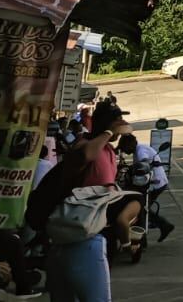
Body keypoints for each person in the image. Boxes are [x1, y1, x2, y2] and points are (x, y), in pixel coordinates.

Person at [42, 97, 142, 302]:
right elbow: (86, 155)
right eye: (118, 121)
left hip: (73, 235)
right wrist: (108, 132)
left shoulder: (108, 152)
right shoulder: (86, 145)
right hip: (84, 239)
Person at [116, 134, 173, 242]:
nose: (124, 150)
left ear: (130, 144)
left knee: (141, 209)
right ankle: (162, 225)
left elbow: (144, 163)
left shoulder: (140, 150)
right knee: (143, 209)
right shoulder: (136, 151)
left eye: (124, 147)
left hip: (155, 182)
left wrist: (135, 167)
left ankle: (159, 228)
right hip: (151, 183)